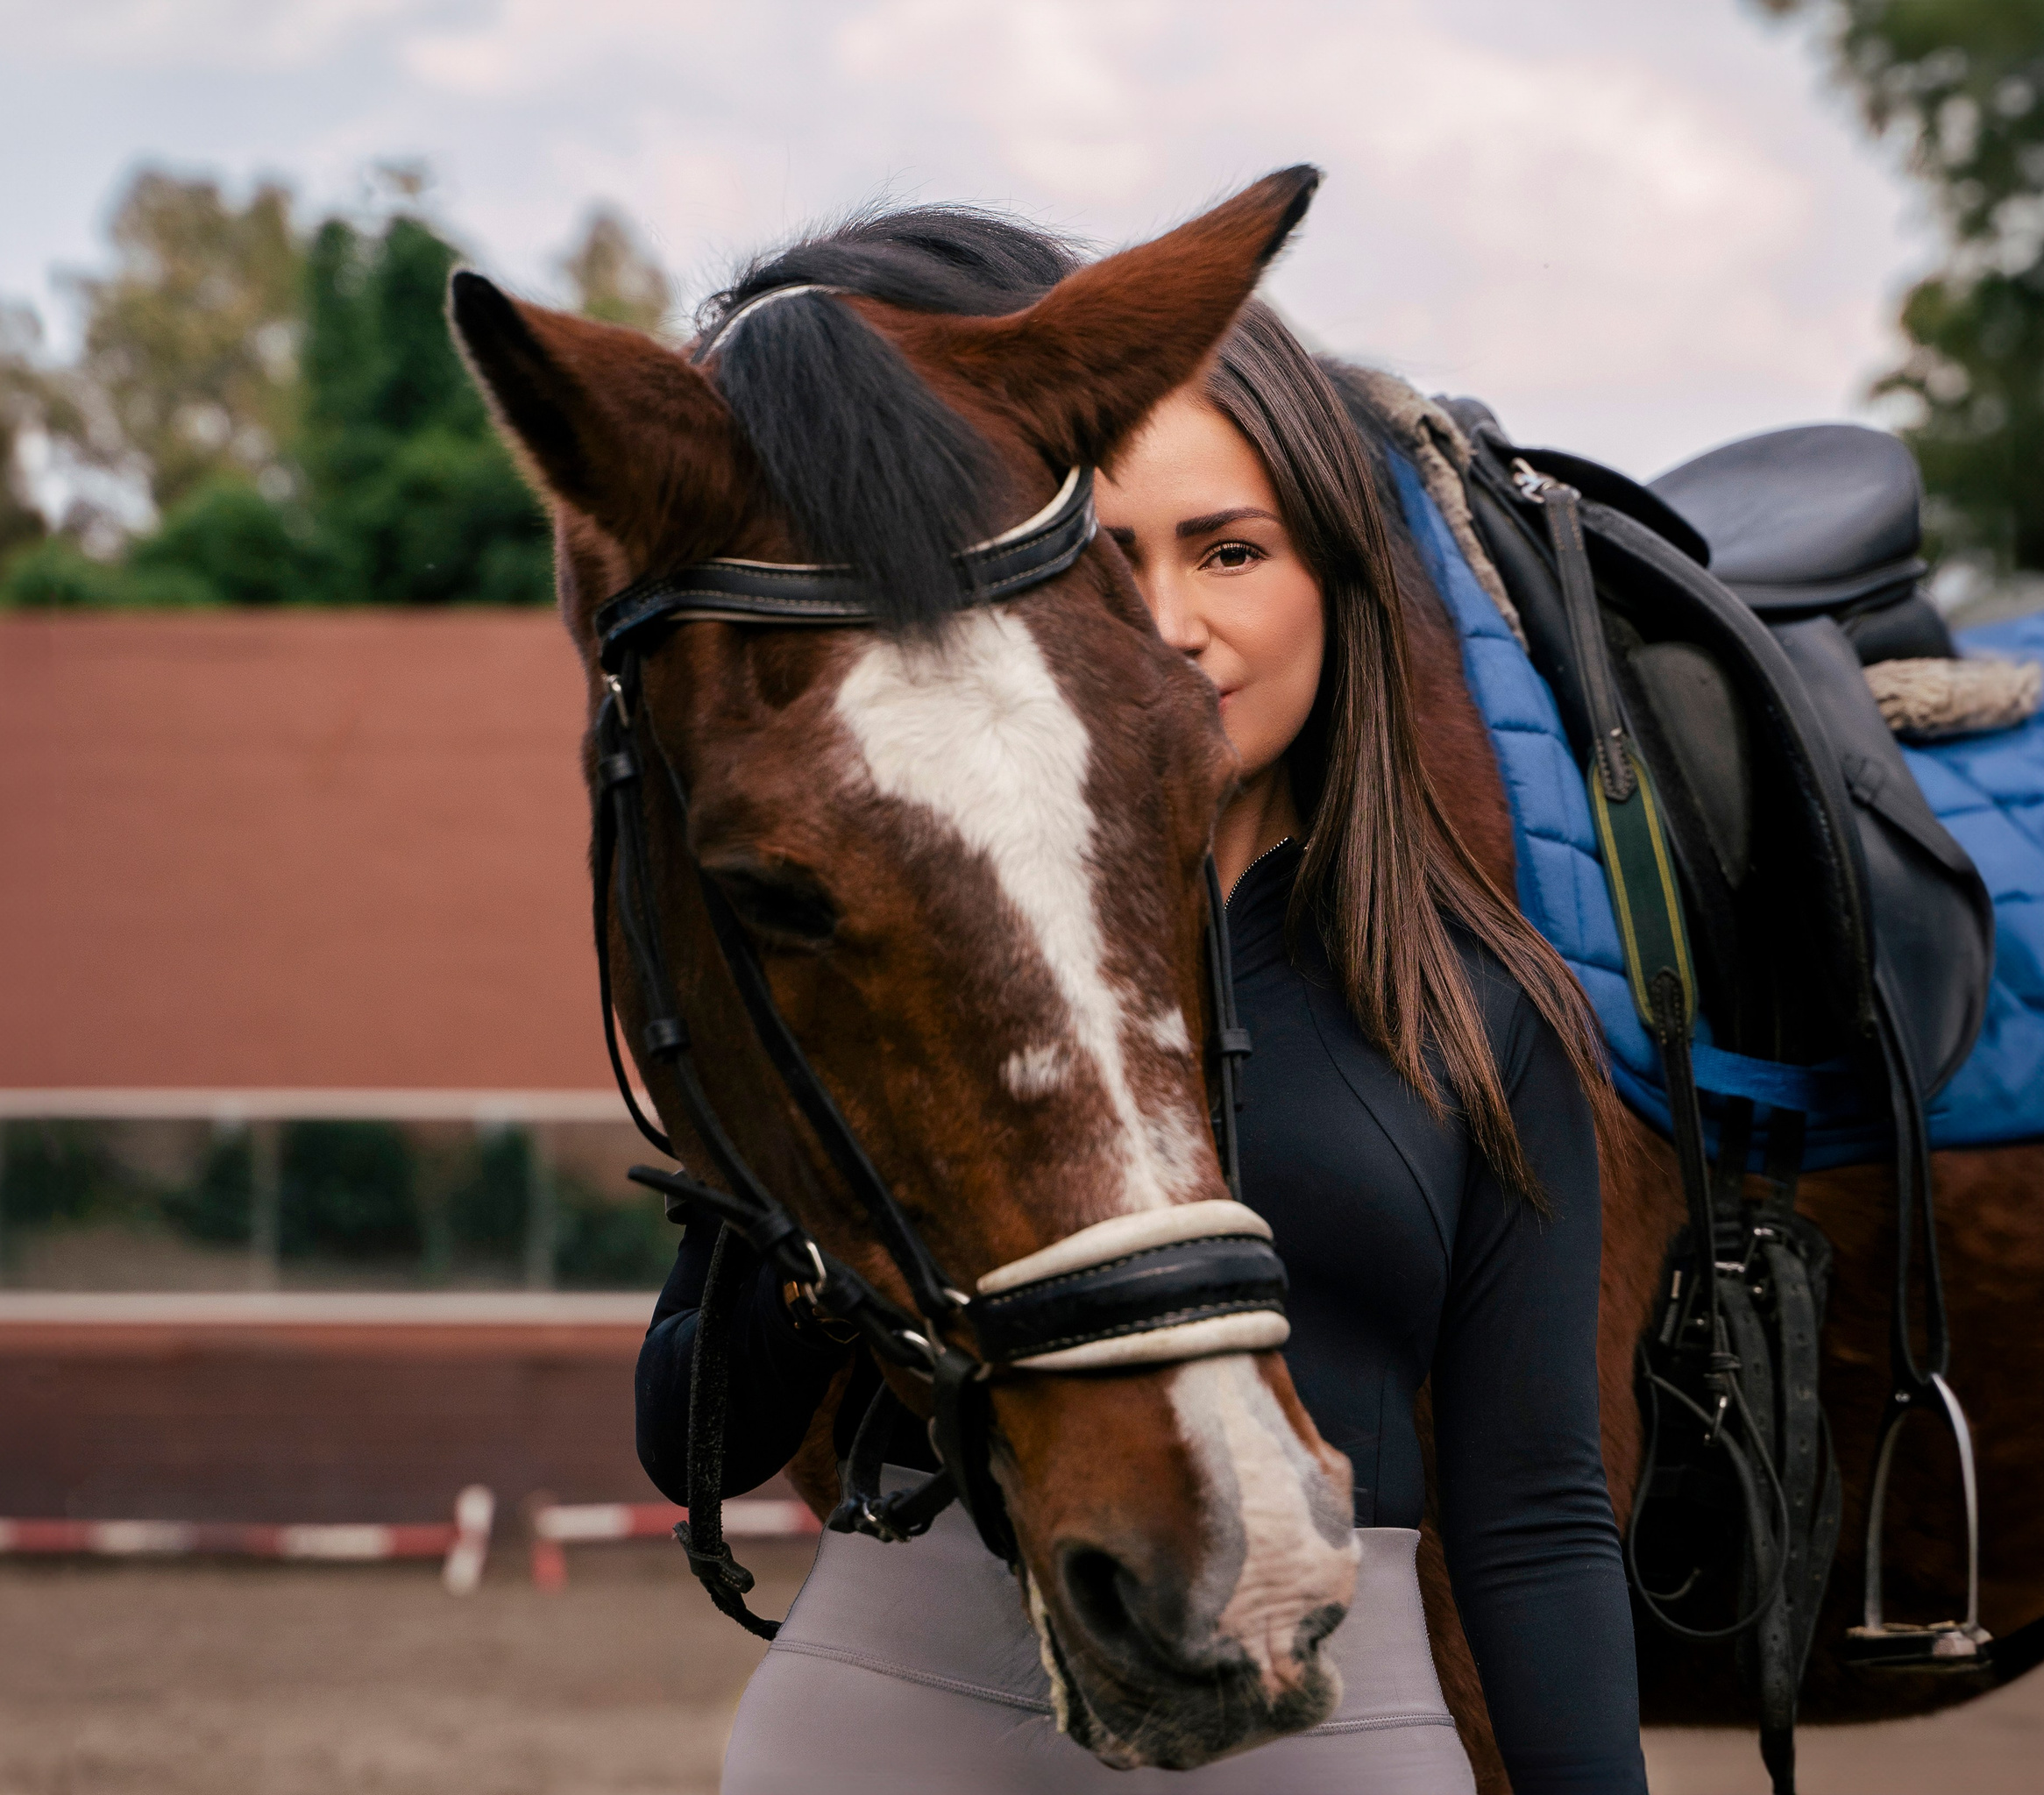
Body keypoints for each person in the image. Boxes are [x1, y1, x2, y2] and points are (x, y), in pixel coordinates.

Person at [635, 215, 1647, 1793]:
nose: (1169, 622)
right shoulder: (925, 959)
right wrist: (818, 1259)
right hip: (891, 1714)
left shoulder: (1484, 1013)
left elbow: (1536, 1518)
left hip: (1334, 1738)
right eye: (1111, 558)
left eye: (1231, 551)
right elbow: (687, 1431)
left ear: (1338, 578)